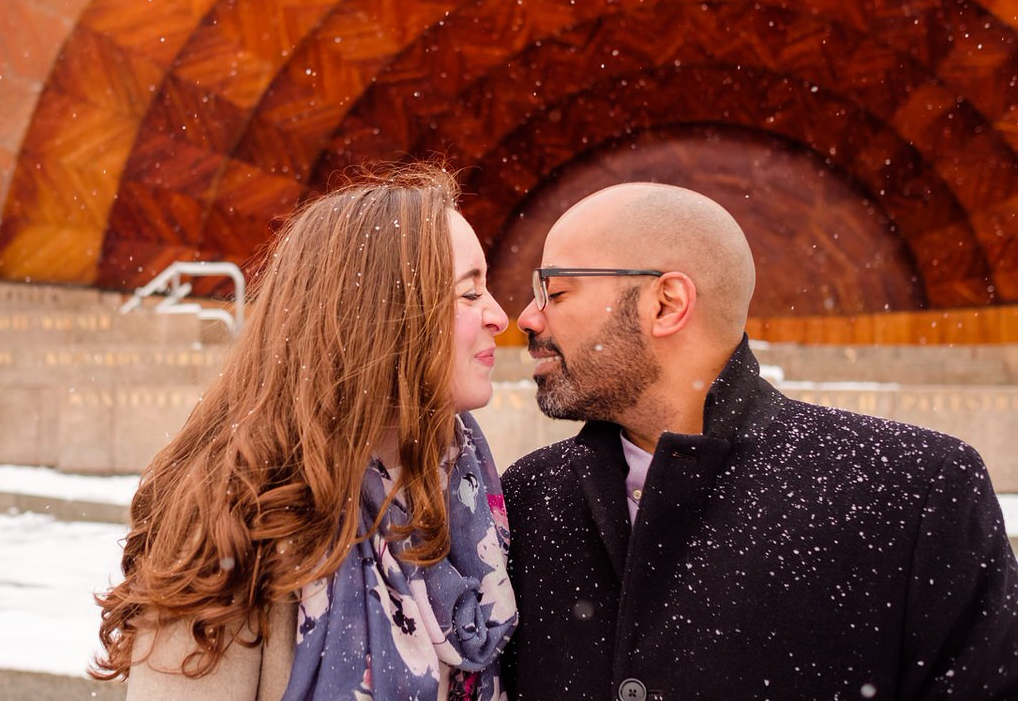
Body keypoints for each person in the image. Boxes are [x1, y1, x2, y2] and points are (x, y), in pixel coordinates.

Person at [501, 182, 1018, 700]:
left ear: (666, 304)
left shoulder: (913, 489)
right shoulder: (525, 497)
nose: (526, 317)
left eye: (557, 290)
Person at [92, 166, 518, 700]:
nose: (500, 316)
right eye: (468, 293)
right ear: (383, 316)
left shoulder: (469, 492)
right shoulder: (240, 523)